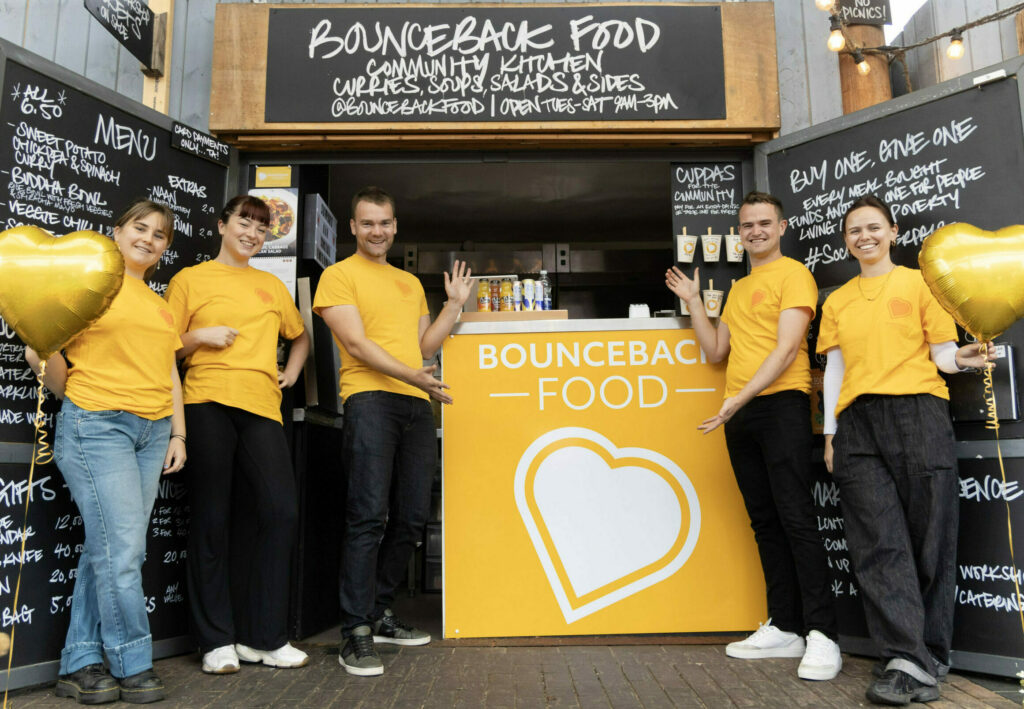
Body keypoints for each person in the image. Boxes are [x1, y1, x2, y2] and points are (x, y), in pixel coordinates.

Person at [818, 195, 995, 705]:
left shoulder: (921, 284)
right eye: (854, 231)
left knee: (930, 536)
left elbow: (941, 354)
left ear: (893, 231)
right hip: (857, 426)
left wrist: (963, 359)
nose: (864, 237)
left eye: (873, 227)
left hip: (918, 412)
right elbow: (835, 370)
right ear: (846, 241)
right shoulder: (838, 301)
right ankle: (906, 659)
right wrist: (831, 433)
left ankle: (929, 655)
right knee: (878, 545)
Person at [665, 191, 841, 681]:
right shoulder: (740, 289)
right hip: (739, 412)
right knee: (765, 521)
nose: (756, 231)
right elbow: (715, 350)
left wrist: (738, 400)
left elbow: (787, 351)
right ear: (739, 234)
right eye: (748, 225)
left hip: (779, 405)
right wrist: (695, 302)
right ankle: (786, 626)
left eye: (765, 223)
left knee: (797, 519)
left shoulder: (795, 275)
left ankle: (824, 635)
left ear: (781, 228)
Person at [25, 200, 186, 705]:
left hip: (152, 432)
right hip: (99, 427)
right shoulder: (91, 286)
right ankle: (133, 662)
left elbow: (168, 371)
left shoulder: (159, 302)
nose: (149, 239)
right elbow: (38, 347)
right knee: (123, 553)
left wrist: (178, 434)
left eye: (160, 235)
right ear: (115, 232)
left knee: (110, 551)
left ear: (164, 249)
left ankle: (79, 664)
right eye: (140, 228)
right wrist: (72, 396)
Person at [313, 186, 473, 677]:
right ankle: (355, 631)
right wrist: (415, 377)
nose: (377, 230)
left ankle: (381, 612)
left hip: (414, 405)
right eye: (367, 223)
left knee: (410, 517)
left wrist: (452, 306)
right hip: (371, 402)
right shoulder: (337, 278)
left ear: (395, 226)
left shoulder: (408, 284)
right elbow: (358, 346)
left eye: (384, 222)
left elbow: (423, 346)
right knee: (367, 517)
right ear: (353, 228)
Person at [165, 195, 311, 674]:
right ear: (223, 225)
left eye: (261, 228)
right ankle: (216, 641)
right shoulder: (191, 279)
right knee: (212, 517)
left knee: (280, 512)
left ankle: (264, 637)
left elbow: (301, 335)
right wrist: (199, 338)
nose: (252, 233)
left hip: (263, 407)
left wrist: (291, 371)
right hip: (206, 400)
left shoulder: (271, 284)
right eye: (244, 222)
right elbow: (162, 345)